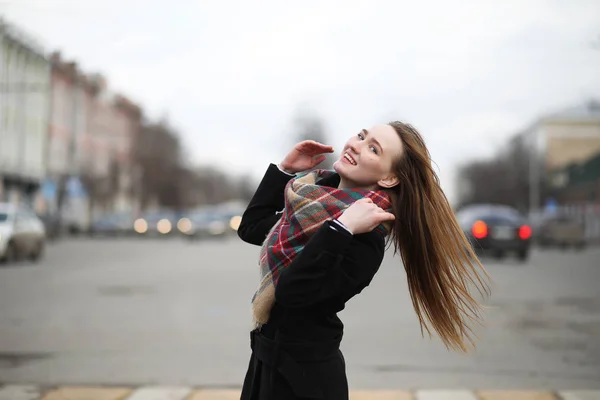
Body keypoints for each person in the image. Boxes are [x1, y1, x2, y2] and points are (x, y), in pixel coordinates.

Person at [237, 121, 491, 400]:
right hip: (263, 368)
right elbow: (252, 227)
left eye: (373, 149)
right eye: (361, 135)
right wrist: (286, 170)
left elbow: (291, 292)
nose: (356, 145)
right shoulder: (309, 205)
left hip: (302, 381)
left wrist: (341, 228)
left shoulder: (366, 240)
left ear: (389, 179)